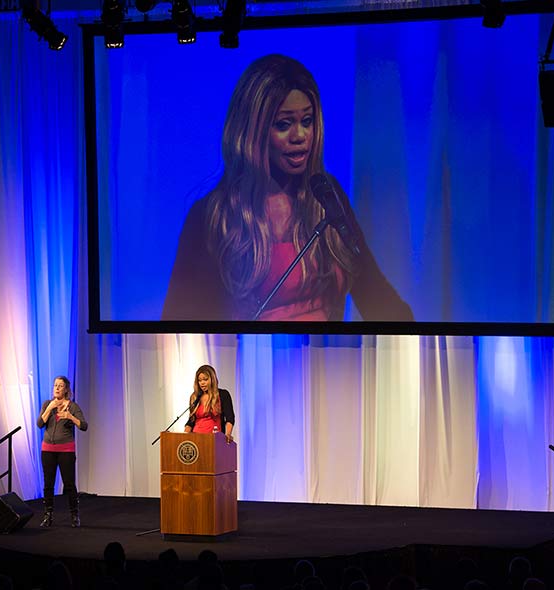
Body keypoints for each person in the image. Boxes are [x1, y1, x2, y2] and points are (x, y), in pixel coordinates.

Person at [162, 53, 413, 322]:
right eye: (284, 124)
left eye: (307, 121)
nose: (300, 136)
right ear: (251, 131)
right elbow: (178, 323)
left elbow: (376, 293)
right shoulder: (212, 217)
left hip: (329, 360)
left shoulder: (325, 196)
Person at [37, 376, 88, 528]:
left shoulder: (72, 407)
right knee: (48, 484)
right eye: (55, 385)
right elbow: (40, 423)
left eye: (60, 386)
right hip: (47, 449)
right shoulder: (48, 404)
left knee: (69, 484)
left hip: (66, 450)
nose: (57, 388)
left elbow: (84, 426)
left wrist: (70, 417)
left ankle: (74, 515)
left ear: (66, 389)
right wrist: (49, 408)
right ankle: (48, 515)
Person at [183, 365, 235, 443]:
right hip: (195, 439)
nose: (202, 383)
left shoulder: (223, 394)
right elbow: (191, 421)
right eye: (199, 380)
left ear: (212, 379)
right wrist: (183, 438)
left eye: (205, 379)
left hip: (214, 439)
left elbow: (229, 418)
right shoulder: (195, 397)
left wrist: (227, 434)